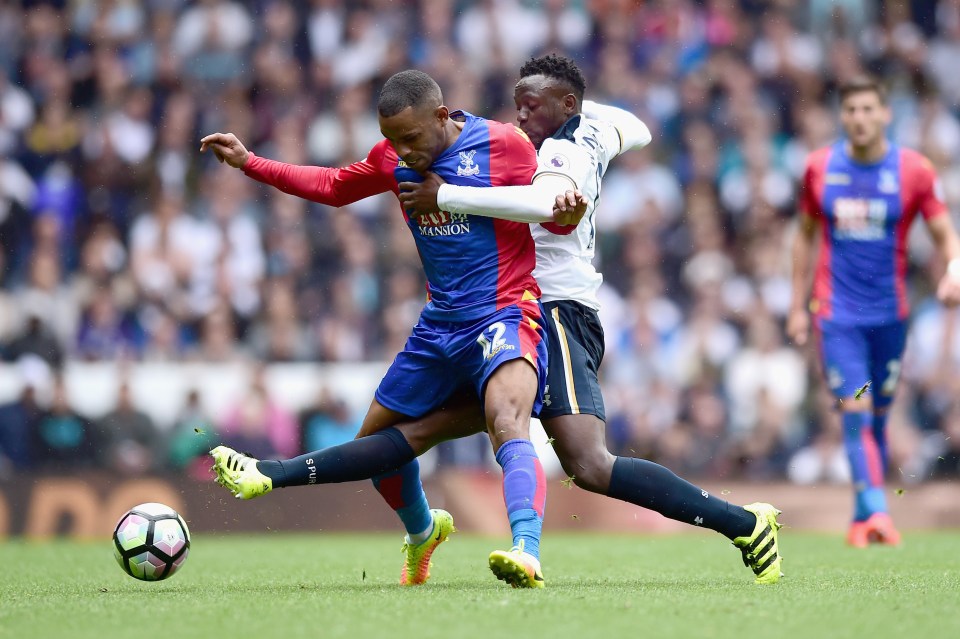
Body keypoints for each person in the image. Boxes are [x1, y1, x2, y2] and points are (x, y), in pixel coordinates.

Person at [391, 54, 784, 584]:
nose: (520, 118)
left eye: (531, 106)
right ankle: (366, 500)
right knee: (432, 429)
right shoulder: (592, 129)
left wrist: (448, 196)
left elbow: (543, 204)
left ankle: (740, 522)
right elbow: (639, 129)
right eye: (518, 106)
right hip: (514, 309)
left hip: (554, 309)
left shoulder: (562, 154)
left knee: (589, 463)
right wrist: (582, 107)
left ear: (565, 105)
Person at [203, 69, 566, 588]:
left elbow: (549, 214)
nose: (402, 151)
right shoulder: (391, 157)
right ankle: (423, 533)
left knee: (507, 421)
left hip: (506, 312)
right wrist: (250, 163)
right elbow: (333, 186)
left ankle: (526, 549)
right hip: (438, 326)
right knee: (374, 449)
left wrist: (566, 213)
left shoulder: (503, 144)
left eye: (411, 138)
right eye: (392, 139)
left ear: (442, 116)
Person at [788, 75, 960, 547]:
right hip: (837, 314)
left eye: (868, 109)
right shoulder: (819, 168)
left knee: (879, 415)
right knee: (856, 409)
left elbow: (947, 234)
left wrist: (954, 272)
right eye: (851, 110)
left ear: (885, 114)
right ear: (842, 117)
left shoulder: (914, 170)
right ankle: (879, 514)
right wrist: (797, 306)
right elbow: (804, 236)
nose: (860, 119)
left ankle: (861, 516)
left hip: (890, 316)